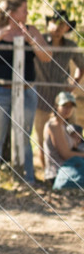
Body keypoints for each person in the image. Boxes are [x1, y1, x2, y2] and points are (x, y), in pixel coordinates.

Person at [0, 0, 52, 188]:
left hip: (25, 90)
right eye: (23, 10)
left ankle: (27, 178)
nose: (27, 13)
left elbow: (47, 56)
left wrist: (31, 40)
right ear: (10, 13)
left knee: (23, 134)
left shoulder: (31, 30)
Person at [34, 9, 82, 172]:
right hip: (42, 98)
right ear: (48, 24)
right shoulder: (39, 42)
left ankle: (74, 172)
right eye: (55, 22)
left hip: (64, 100)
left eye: (63, 24)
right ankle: (48, 174)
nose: (58, 27)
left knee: (74, 137)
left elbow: (82, 66)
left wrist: (74, 84)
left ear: (68, 28)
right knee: (42, 140)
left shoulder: (70, 46)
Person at [42, 92, 84, 189]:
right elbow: (65, 154)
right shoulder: (54, 125)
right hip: (59, 173)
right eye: (64, 106)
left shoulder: (63, 125)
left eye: (70, 106)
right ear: (56, 106)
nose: (67, 109)